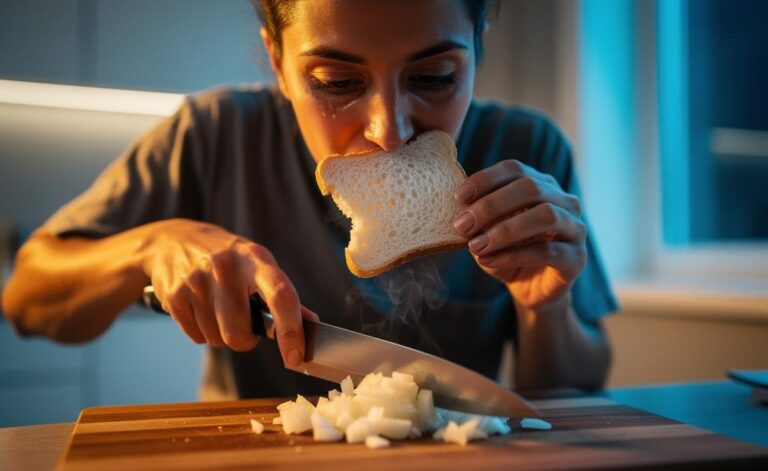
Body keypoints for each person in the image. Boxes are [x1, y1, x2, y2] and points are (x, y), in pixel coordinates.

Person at [1, 0, 616, 400]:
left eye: (434, 78)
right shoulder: (214, 134)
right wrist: (146, 247)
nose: (388, 129)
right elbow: (27, 299)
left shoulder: (528, 149)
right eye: (336, 83)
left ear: (478, 48)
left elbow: (573, 390)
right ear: (277, 62)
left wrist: (547, 308)